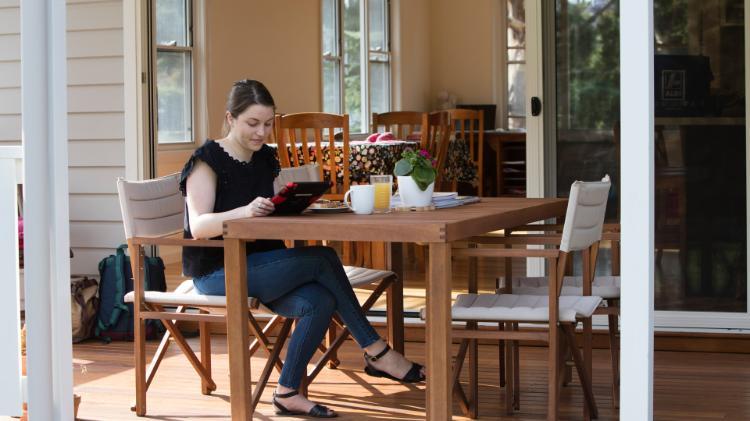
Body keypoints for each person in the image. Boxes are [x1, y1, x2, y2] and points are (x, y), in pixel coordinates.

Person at [179, 79, 425, 418]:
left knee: (319, 301)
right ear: (230, 118)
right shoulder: (206, 160)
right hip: (218, 272)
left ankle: (287, 392)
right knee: (322, 257)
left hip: (264, 266)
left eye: (267, 124)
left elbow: (272, 207)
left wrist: (291, 202)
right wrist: (245, 211)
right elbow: (199, 227)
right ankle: (377, 351)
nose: (261, 132)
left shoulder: (266, 158)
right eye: (252, 123)